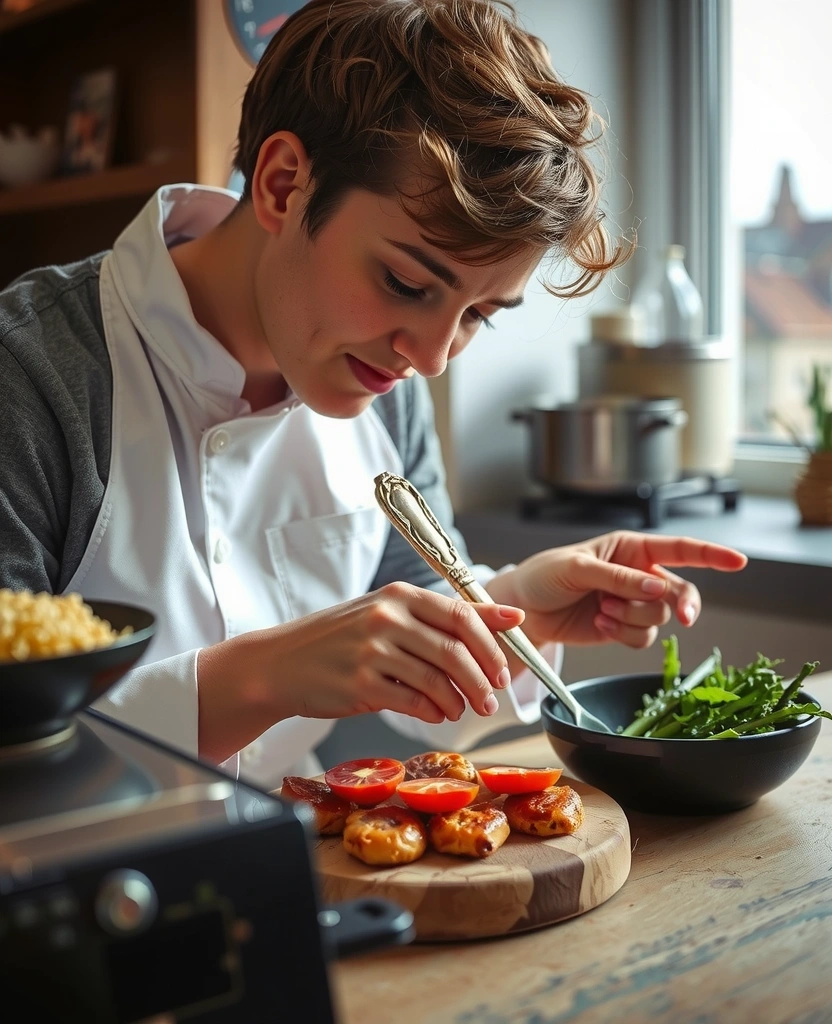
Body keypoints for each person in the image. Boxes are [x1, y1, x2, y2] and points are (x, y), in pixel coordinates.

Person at [0, 0, 746, 786]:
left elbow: (408, 624)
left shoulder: (381, 379)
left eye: (479, 316)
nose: (431, 358)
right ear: (283, 185)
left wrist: (516, 605)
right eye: (406, 283)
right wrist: (263, 678)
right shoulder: (31, 375)